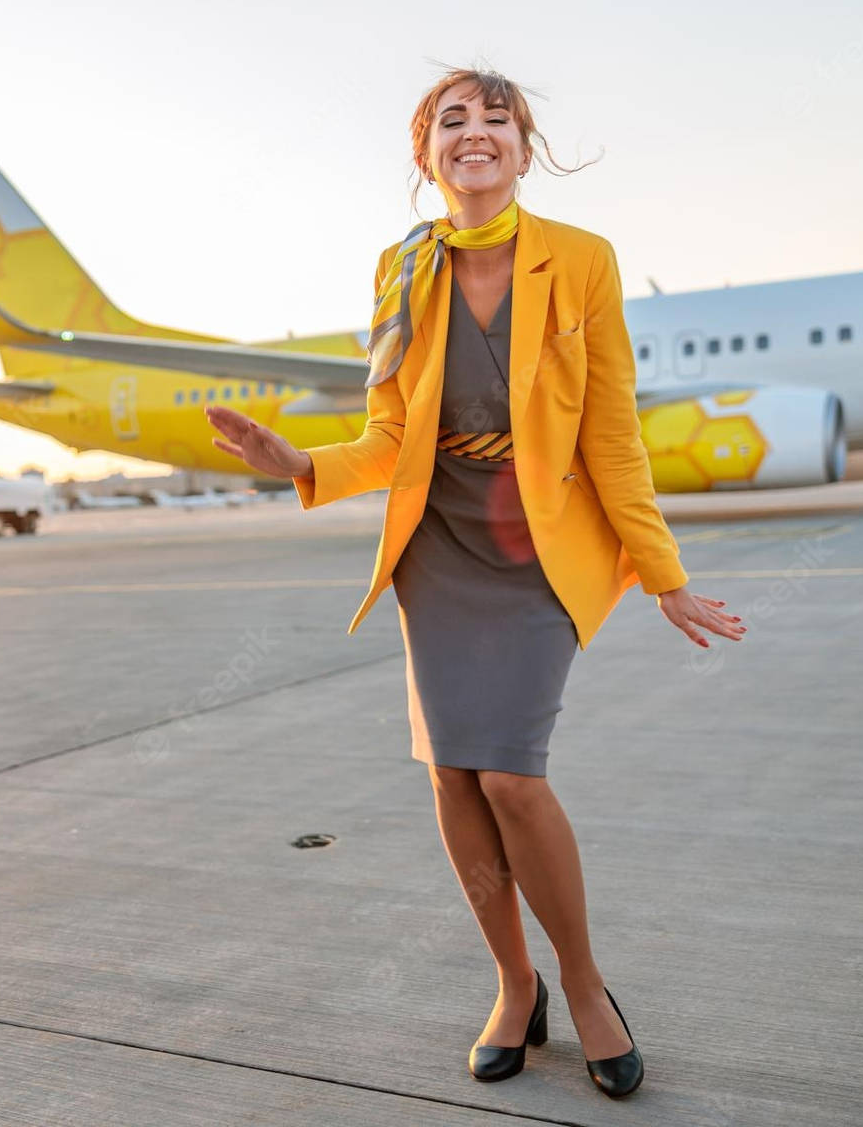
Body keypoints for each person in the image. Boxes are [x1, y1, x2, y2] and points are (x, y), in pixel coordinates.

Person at [204, 66, 745, 1099]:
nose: (475, 133)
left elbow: (613, 433)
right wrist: (301, 464)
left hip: (537, 543)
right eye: (453, 120)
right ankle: (514, 983)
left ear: (523, 148)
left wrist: (665, 574)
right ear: (427, 156)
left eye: (497, 118)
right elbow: (392, 433)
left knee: (511, 775)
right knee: (453, 776)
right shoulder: (402, 267)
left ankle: (584, 986)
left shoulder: (581, 260)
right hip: (441, 541)